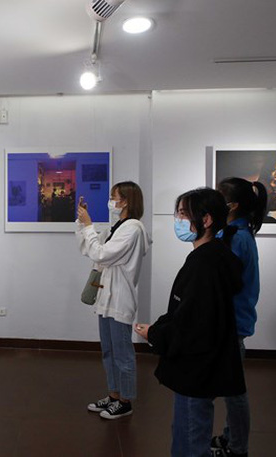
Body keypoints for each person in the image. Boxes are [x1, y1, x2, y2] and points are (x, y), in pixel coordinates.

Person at [134, 188, 245, 457]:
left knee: (190, 438)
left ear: (206, 220)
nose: (178, 220)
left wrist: (155, 334)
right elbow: (188, 310)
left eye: (183, 214)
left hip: (196, 366)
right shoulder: (215, 257)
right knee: (188, 432)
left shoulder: (204, 265)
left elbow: (193, 321)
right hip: (203, 364)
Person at [76, 181, 152, 419]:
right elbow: (90, 248)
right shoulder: (117, 226)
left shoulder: (133, 228)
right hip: (106, 297)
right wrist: (83, 222)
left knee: (123, 353)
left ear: (126, 201)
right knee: (109, 351)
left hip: (120, 300)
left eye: (114, 197)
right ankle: (114, 396)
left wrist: (88, 225)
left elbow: (101, 253)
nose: (111, 201)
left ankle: (126, 400)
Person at [211, 178, 267, 457]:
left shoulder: (236, 238)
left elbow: (224, 282)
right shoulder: (237, 233)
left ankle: (237, 448)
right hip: (233, 320)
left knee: (234, 391)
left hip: (231, 321)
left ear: (231, 205)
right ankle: (230, 437)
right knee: (231, 386)